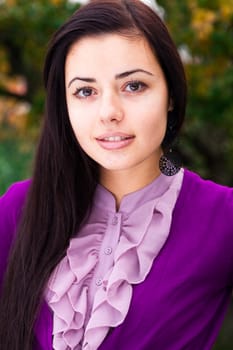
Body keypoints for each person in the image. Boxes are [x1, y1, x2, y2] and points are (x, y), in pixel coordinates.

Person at [0, 0, 233, 349]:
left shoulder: (222, 217)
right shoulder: (19, 208)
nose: (109, 112)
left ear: (170, 93)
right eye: (85, 91)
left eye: (134, 86)